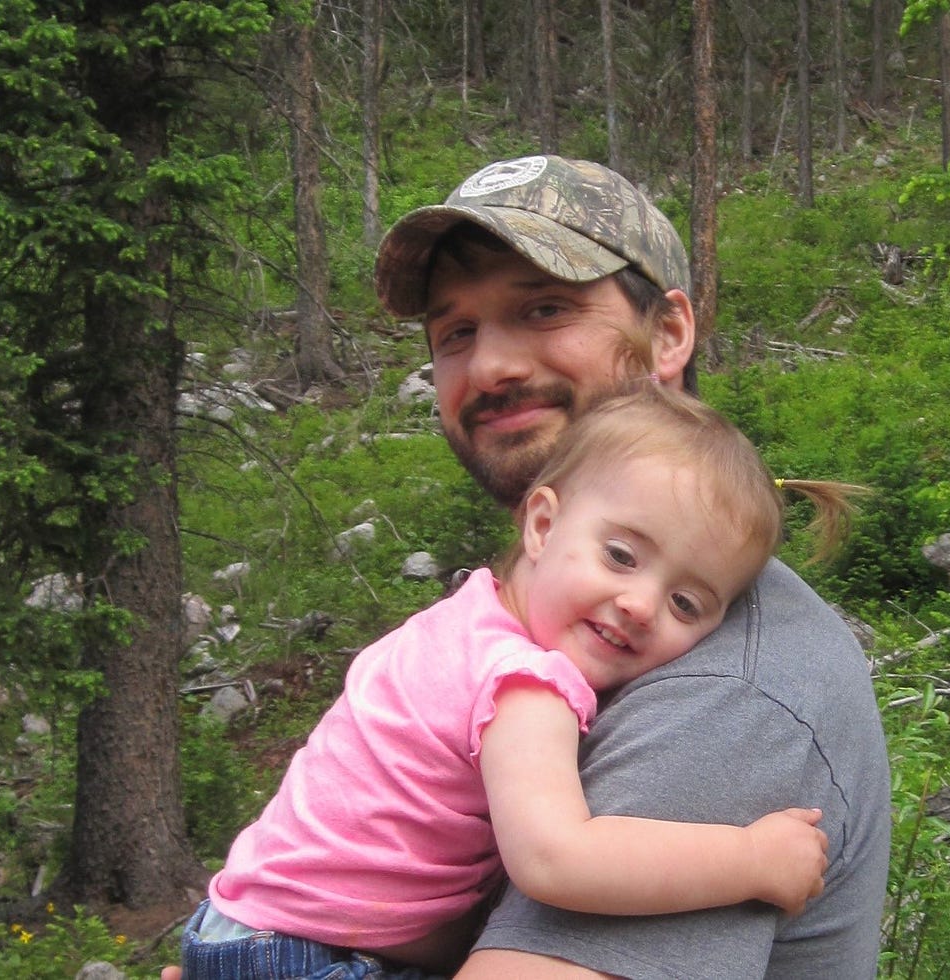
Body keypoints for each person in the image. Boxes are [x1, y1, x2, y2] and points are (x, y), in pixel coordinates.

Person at [168, 153, 890, 979]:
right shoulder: (527, 640)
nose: (492, 366)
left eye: (545, 308)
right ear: (545, 527)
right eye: (456, 333)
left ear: (670, 333)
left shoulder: (728, 690)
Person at [178, 383, 853, 979]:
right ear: (542, 524)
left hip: (244, 926)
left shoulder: (461, 619)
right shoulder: (525, 684)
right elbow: (557, 860)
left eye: (687, 604)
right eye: (621, 555)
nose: (642, 604)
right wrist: (752, 858)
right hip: (303, 955)